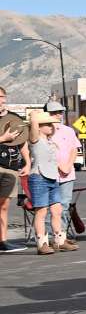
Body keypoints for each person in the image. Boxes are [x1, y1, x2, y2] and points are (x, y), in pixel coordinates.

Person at [26, 110, 76, 254]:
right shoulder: (35, 140)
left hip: (53, 178)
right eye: (47, 124)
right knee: (41, 211)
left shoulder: (50, 141)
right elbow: (34, 126)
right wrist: (34, 117)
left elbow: (70, 149)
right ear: (39, 126)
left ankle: (60, 241)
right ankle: (42, 244)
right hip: (39, 177)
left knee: (57, 210)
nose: (51, 127)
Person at [43, 101, 81, 237]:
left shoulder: (68, 130)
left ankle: (61, 236)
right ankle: (48, 236)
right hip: (48, 174)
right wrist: (59, 166)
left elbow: (74, 149)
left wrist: (68, 166)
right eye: (54, 112)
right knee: (49, 207)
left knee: (64, 206)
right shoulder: (43, 131)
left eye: (60, 112)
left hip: (67, 175)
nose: (58, 115)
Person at [0, 87, 29, 253]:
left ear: (5, 98)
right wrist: (3, 138)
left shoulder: (15, 118)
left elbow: (23, 141)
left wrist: (27, 163)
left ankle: (2, 241)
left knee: (4, 205)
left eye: (1, 97)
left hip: (10, 167)